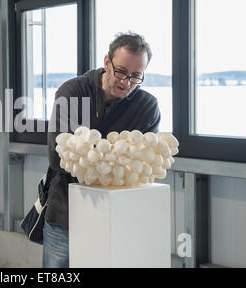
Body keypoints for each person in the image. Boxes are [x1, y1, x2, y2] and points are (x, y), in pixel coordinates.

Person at [44, 32, 161, 268]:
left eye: (136, 76)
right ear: (106, 62)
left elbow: (142, 166)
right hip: (66, 212)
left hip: (119, 215)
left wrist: (92, 155)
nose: (126, 82)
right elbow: (58, 158)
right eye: (121, 71)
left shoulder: (147, 106)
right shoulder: (72, 92)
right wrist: (116, 159)